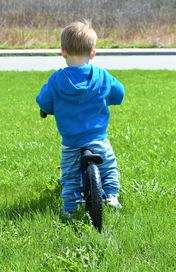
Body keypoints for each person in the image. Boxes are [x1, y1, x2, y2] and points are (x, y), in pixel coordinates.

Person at [36, 20, 125, 214]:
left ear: (63, 51)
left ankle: (70, 208)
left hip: (71, 142)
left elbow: (44, 101)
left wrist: (46, 108)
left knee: (70, 176)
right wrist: (108, 98)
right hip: (98, 139)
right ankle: (110, 196)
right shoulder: (102, 76)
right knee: (108, 167)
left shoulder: (56, 80)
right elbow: (119, 93)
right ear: (92, 52)